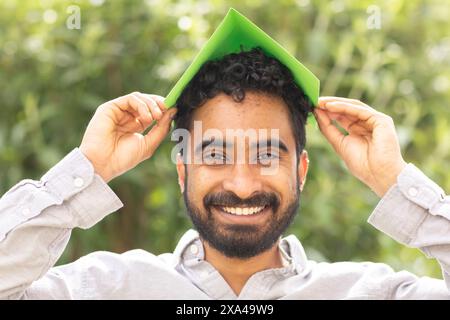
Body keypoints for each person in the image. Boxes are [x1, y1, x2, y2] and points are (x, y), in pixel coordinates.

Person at [0, 46, 449, 299]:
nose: (242, 184)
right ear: (183, 171)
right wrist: (87, 170)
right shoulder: (102, 289)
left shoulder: (372, 294)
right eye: (214, 156)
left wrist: (394, 181)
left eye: (268, 155)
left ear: (302, 170)